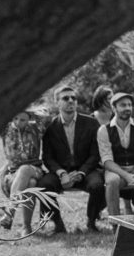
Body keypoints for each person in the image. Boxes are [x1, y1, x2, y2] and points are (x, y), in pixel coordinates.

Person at [36, 85, 106, 234]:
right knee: (44, 184)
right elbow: (47, 157)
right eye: (65, 98)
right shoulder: (50, 127)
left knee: (97, 185)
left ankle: (91, 222)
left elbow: (95, 154)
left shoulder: (91, 123)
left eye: (73, 98)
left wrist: (81, 173)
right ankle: (58, 224)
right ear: (57, 103)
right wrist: (61, 173)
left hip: (85, 169)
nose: (70, 101)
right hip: (62, 171)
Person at [0, 108, 46, 234]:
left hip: (35, 169)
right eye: (15, 118)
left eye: (23, 119)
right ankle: (26, 227)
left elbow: (46, 114)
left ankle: (9, 212)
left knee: (25, 170)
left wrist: (28, 108)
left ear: (29, 119)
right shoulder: (5, 129)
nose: (18, 122)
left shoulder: (36, 128)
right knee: (31, 184)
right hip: (12, 174)